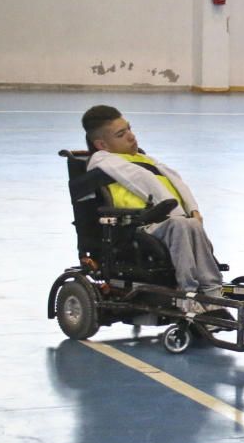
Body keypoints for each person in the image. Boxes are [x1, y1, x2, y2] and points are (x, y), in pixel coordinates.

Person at [81, 105, 225, 315]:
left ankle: (212, 292)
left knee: (190, 224)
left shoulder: (144, 158)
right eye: (121, 134)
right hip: (136, 227)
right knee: (180, 224)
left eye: (129, 129)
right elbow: (142, 181)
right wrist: (176, 212)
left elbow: (176, 180)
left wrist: (193, 209)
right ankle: (188, 295)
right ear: (102, 144)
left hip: (167, 221)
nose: (131, 137)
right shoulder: (102, 160)